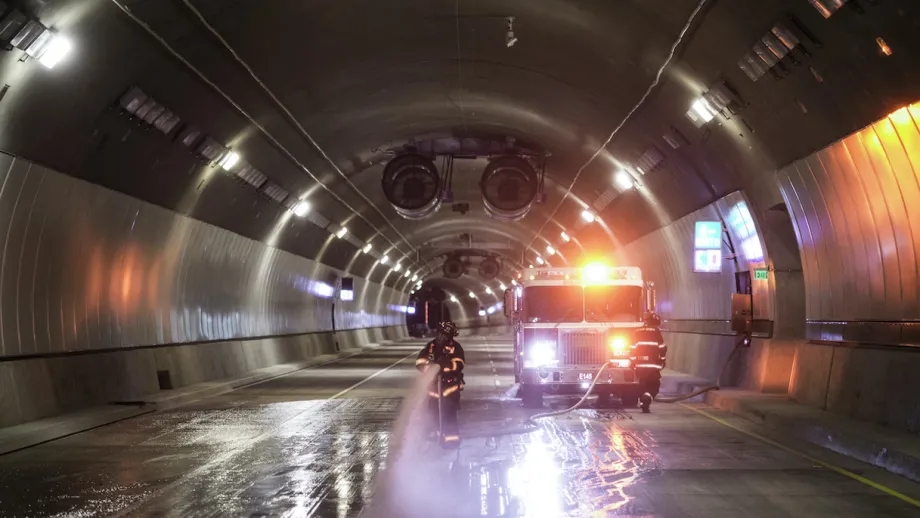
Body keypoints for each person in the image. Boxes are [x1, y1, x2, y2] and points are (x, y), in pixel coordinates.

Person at [415, 321, 465, 447]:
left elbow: (459, 364)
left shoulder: (456, 348)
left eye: (446, 335)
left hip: (450, 389)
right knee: (433, 417)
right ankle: (434, 441)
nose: (442, 337)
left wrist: (446, 365)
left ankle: (451, 443)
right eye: (441, 334)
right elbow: (420, 362)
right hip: (433, 390)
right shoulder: (431, 346)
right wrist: (431, 368)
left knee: (449, 417)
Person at [633, 311, 665, 402]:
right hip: (652, 365)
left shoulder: (637, 331)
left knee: (642, 384)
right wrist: (663, 360)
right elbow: (662, 347)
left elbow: (632, 347)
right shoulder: (656, 331)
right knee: (654, 385)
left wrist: (632, 362)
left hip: (639, 365)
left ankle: (644, 401)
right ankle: (647, 397)